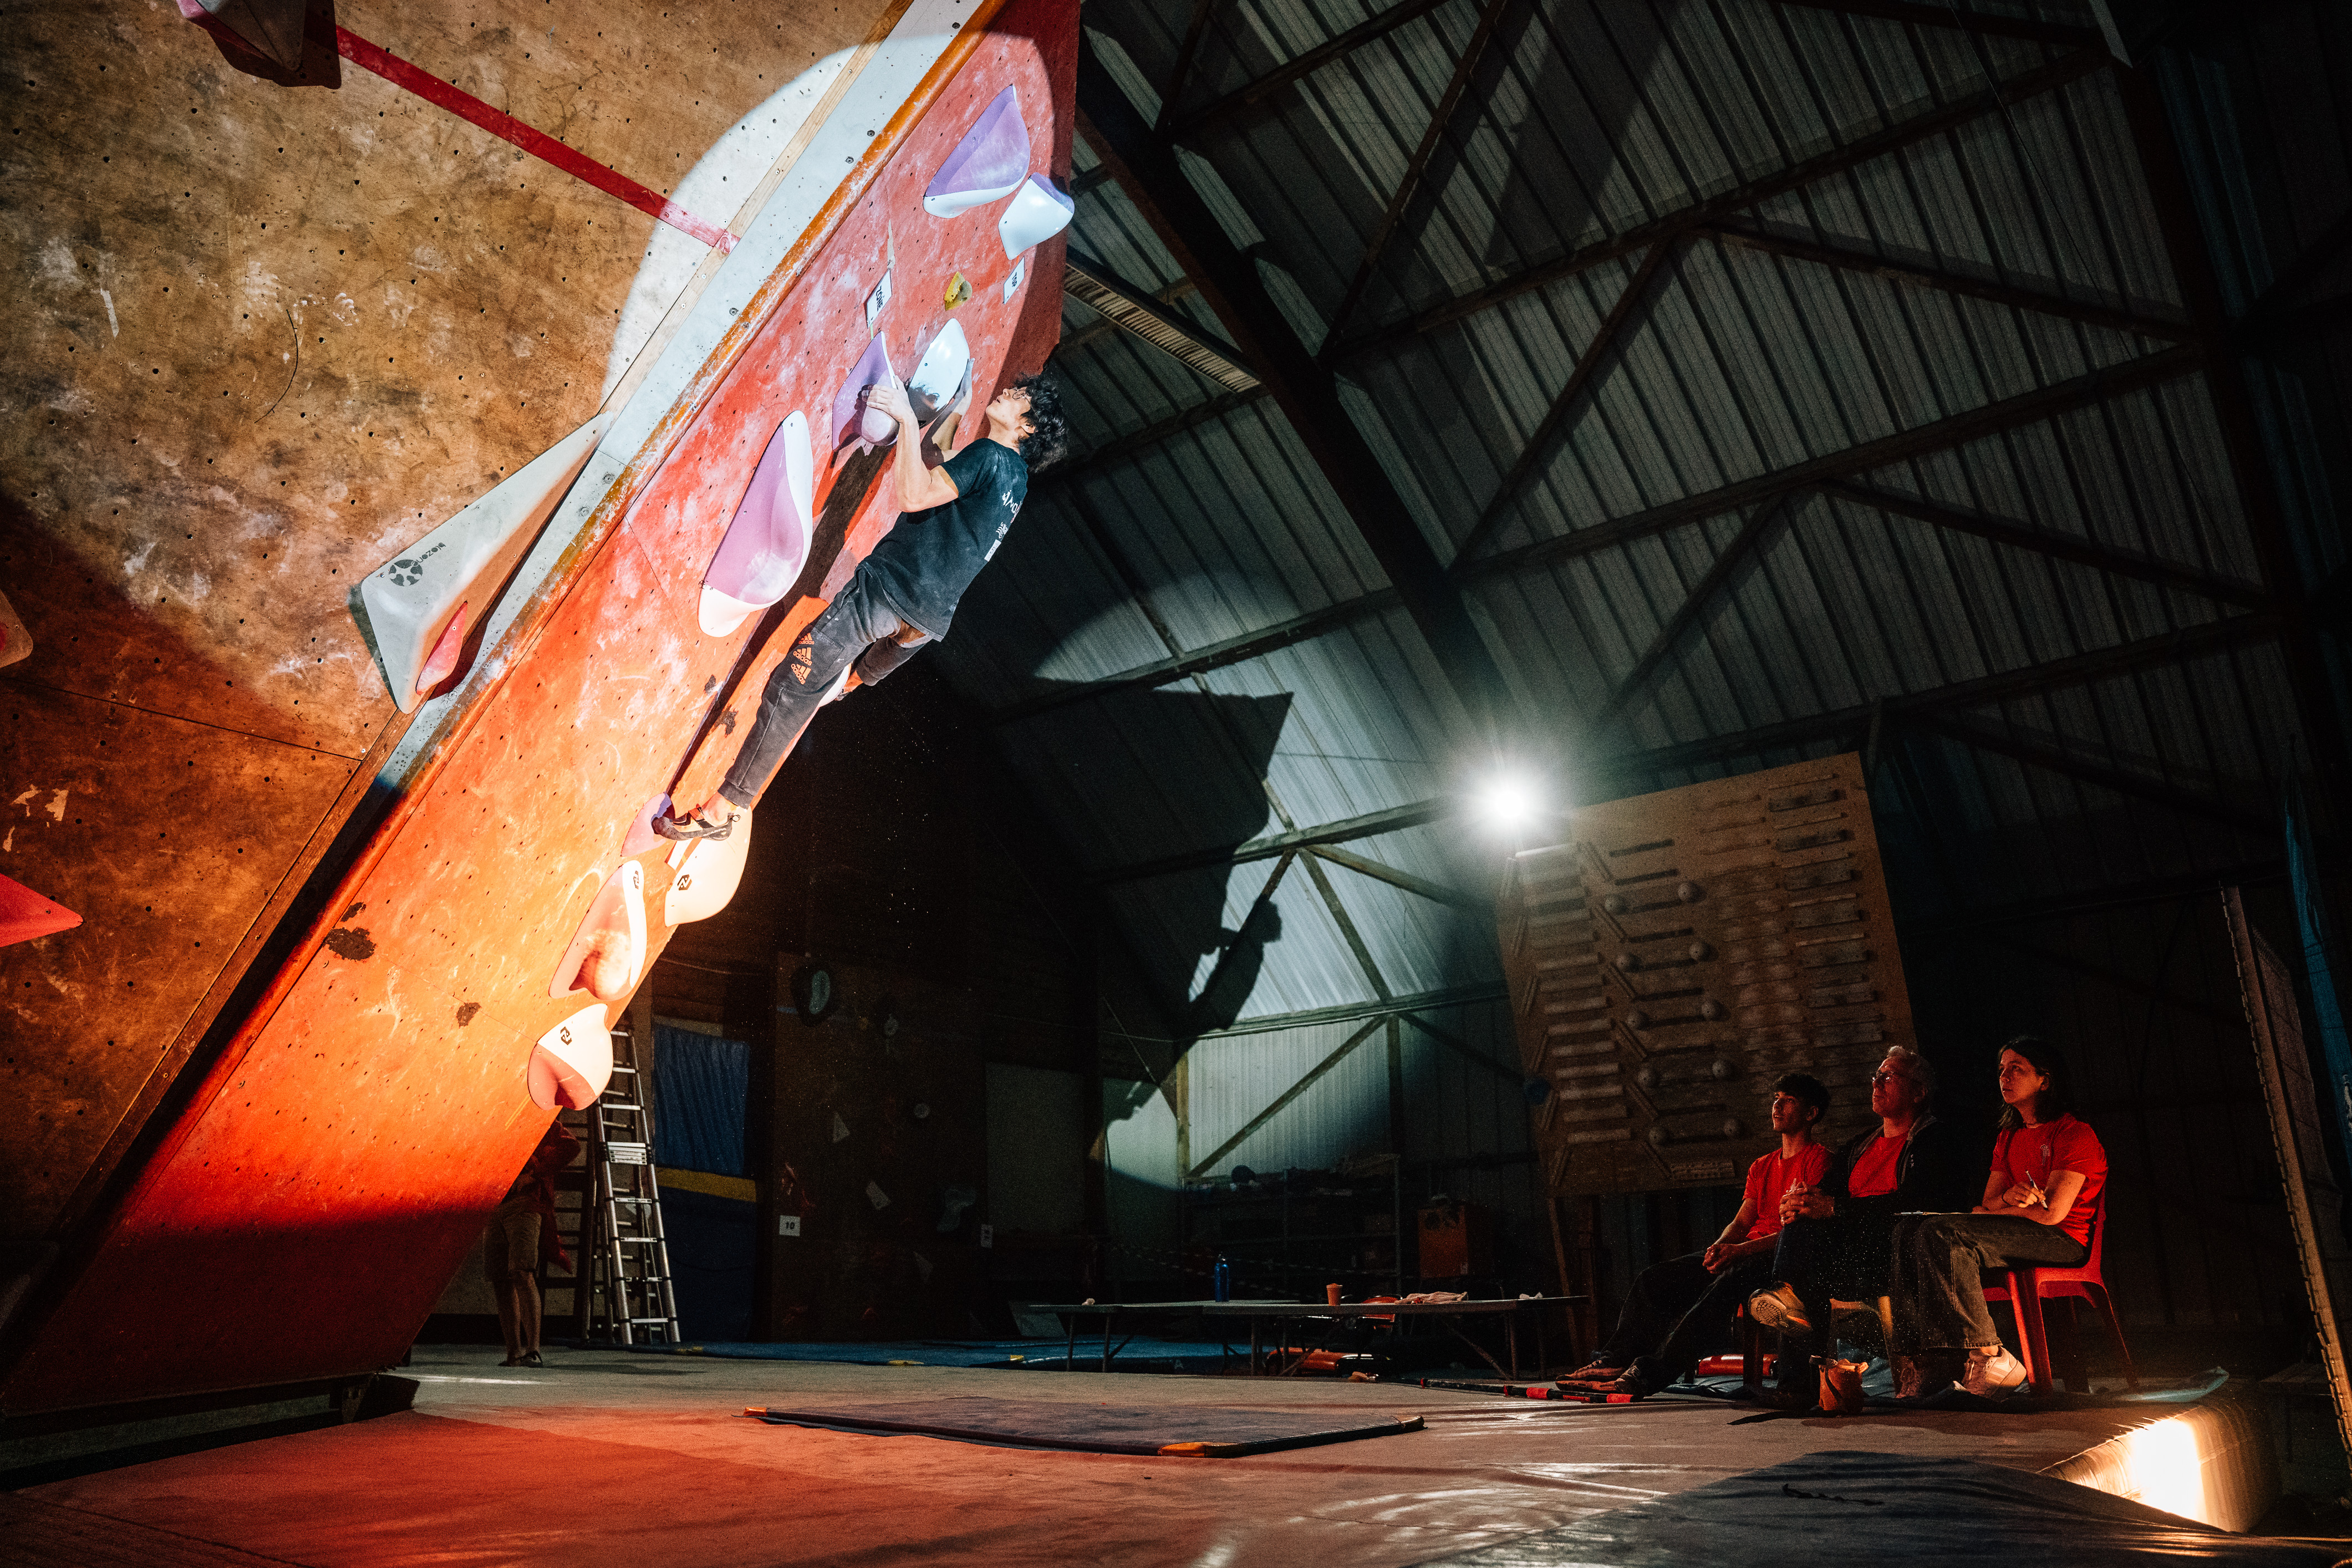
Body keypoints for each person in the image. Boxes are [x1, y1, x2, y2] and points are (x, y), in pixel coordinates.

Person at [654, 367, 1067, 840]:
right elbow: (940, 462)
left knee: (792, 686)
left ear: (1027, 426)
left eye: (1019, 395)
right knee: (846, 679)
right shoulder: (1014, 479)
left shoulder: (990, 457)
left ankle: (725, 809)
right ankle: (849, 683)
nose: (1008, 390)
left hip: (886, 595)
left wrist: (907, 419)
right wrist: (957, 408)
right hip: (924, 624)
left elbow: (915, 493)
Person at [1560, 1074, 1832, 1398]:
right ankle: (1614, 1361)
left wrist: (1739, 1252)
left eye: (1789, 1100)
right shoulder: (1762, 1166)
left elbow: (1798, 1233)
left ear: (1811, 1113)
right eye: (1776, 1097)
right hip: (1742, 1252)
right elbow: (1741, 1222)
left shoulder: (1820, 1160)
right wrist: (1720, 1247)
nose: (1777, 1105)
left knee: (1720, 1289)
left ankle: (1646, 1374)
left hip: (1775, 1259)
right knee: (1654, 1280)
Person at [1742, 1045, 1978, 1406]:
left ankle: (1795, 1365)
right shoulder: (1860, 1145)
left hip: (1892, 1250)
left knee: (1800, 1272)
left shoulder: (1936, 1140)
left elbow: (1922, 1202)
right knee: (1801, 1233)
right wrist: (1801, 1201)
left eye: (1888, 1077)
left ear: (1918, 1092)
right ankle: (1795, 1373)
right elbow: (1827, 1193)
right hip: (1846, 1251)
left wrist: (1834, 1208)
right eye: (1876, 1076)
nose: (1876, 1083)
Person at [1884, 1035, 2107, 1398]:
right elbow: (1986, 1205)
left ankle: (1989, 1355)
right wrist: (2007, 1199)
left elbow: (2051, 1213)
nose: (2005, 1077)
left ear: (2044, 1080)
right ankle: (1929, 1358)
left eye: (2017, 1069)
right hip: (2017, 1229)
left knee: (1944, 1232)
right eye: (2002, 1069)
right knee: (1908, 1230)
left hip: (2062, 1239)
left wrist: (2003, 1209)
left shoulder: (2073, 1133)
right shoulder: (2009, 1137)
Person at [487, 1117, 581, 1368]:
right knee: (501, 1279)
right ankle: (514, 1353)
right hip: (495, 1201)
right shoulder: (493, 1117)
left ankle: (533, 1350)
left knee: (522, 1272)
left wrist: (535, 1174)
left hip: (525, 1201)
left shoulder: (535, 1116)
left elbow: (571, 1146)